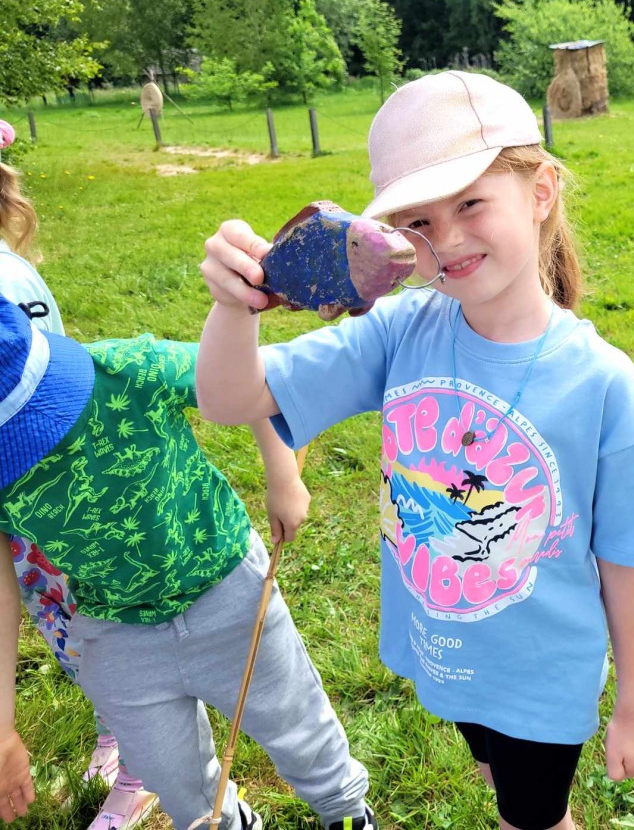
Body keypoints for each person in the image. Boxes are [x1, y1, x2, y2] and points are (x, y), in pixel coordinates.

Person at [195, 70, 634, 830]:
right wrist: (237, 305)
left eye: (471, 204)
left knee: (533, 816)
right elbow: (231, 399)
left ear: (541, 192)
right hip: (448, 656)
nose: (446, 239)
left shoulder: (601, 382)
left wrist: (633, 707)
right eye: (418, 221)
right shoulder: (401, 331)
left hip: (538, 679)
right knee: (496, 771)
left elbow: (628, 559)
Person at [0, 298, 375, 830]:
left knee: (295, 722)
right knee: (168, 771)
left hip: (226, 590)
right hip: (115, 626)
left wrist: (283, 476)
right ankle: (220, 821)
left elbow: (246, 379)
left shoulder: (128, 368)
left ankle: (345, 811)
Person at [0, 160, 156, 829]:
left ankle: (144, 767)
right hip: (14, 499)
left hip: (53, 491)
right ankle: (115, 729)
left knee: (98, 627)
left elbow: (56, 373)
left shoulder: (9, 279)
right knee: (63, 629)